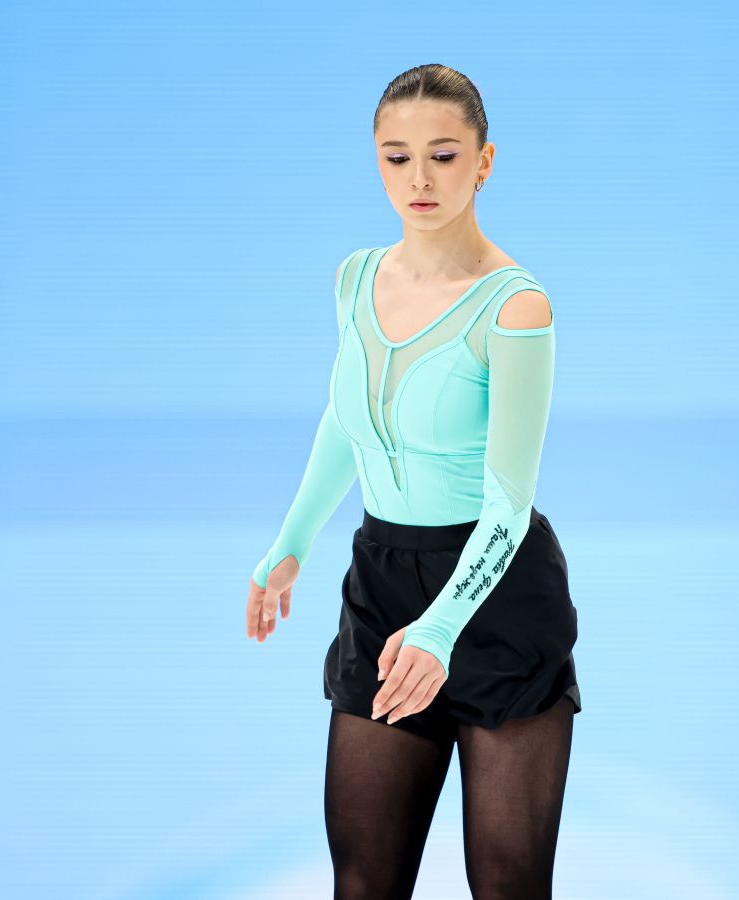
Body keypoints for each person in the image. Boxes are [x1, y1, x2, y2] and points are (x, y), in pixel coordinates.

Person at [243, 63, 582, 899]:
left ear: (484, 161)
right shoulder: (356, 279)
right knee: (363, 883)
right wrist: (291, 543)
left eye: (443, 155)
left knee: (506, 887)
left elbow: (508, 505)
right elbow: (348, 420)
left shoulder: (515, 307)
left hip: (495, 597)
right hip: (384, 586)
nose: (420, 179)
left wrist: (442, 630)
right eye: (398, 158)